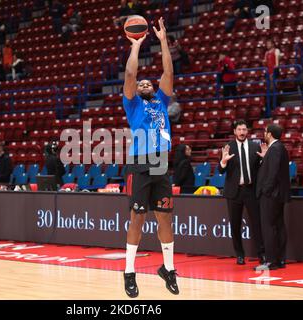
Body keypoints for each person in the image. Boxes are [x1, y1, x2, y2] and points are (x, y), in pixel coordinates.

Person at [122, 17, 178, 298]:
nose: (144, 84)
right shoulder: (132, 104)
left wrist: (163, 40)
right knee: (138, 219)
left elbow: (168, 72)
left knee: (165, 219)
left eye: (148, 83)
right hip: (140, 163)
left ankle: (168, 269)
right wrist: (136, 46)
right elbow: (130, 76)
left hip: (161, 163)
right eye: (142, 83)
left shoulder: (161, 100)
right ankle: (129, 272)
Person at [219, 120, 266, 265]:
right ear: (234, 131)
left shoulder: (255, 146)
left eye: (244, 129)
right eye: (239, 129)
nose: (242, 132)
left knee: (257, 224)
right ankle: (239, 255)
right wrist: (224, 162)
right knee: (235, 225)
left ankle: (262, 254)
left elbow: (261, 170)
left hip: (251, 191)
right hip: (234, 192)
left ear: (247, 131)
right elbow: (221, 171)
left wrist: (264, 159)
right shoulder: (228, 147)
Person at [255, 124, 290, 271]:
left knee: (269, 227)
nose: (264, 134)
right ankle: (280, 259)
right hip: (278, 194)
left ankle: (271, 261)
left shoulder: (275, 148)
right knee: (278, 226)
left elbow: (273, 172)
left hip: (271, 195)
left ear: (269, 134)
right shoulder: (279, 148)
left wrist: (266, 190)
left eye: (265, 132)